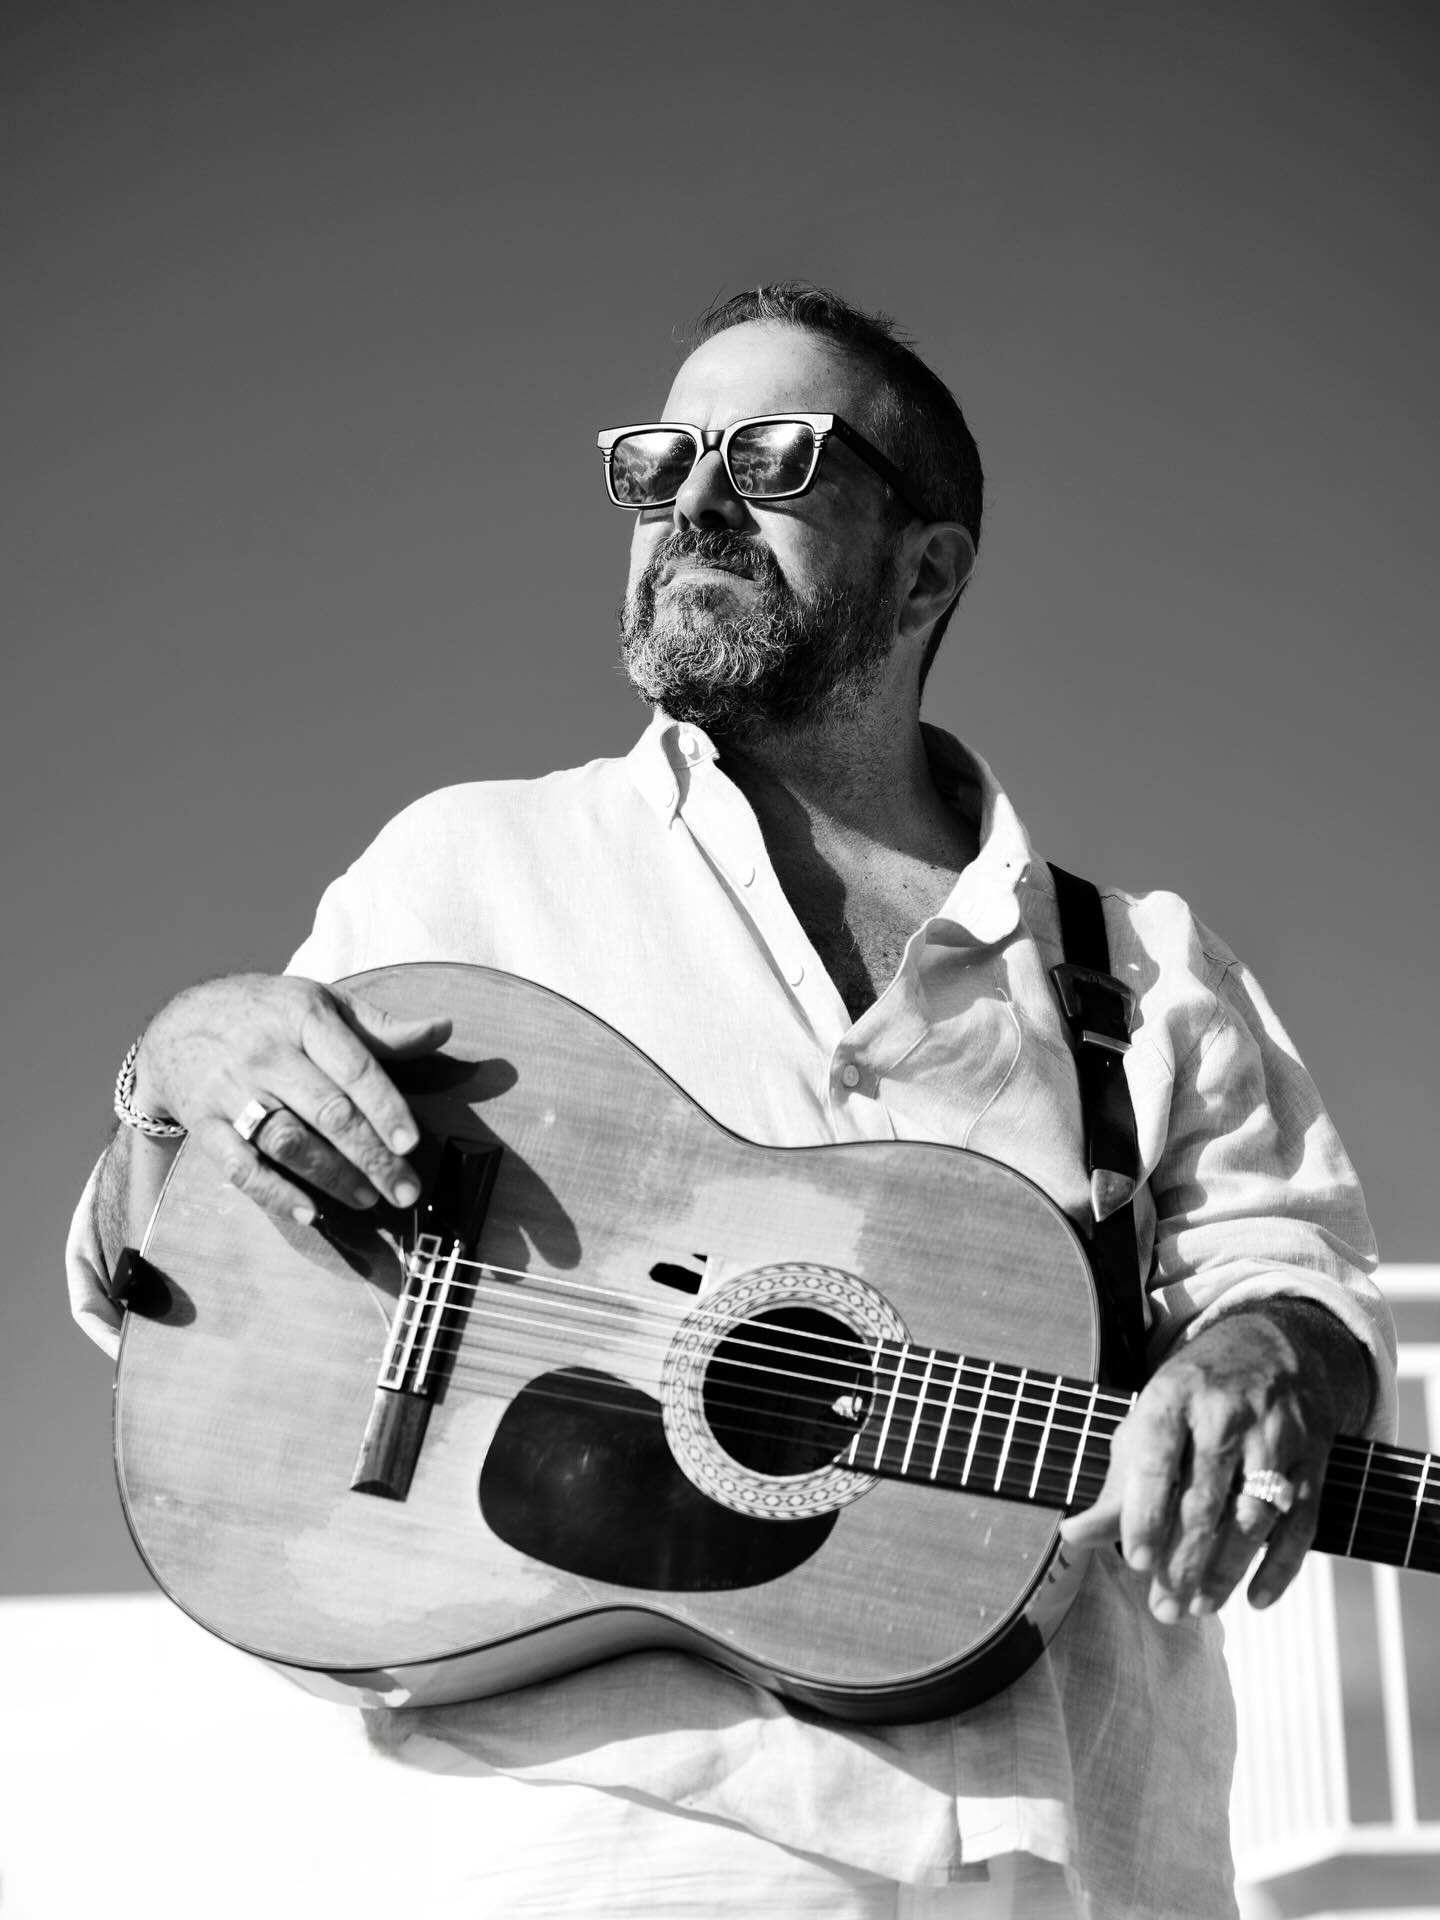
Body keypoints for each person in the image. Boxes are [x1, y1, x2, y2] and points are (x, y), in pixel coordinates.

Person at [68, 284, 1396, 1918]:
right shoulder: (466, 868)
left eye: (768, 455)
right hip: (592, 1855)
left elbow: (1295, 1279)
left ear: (929, 567)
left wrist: (1273, 1351)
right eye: (653, 462)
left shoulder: (1142, 968)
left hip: (1083, 1858)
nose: (689, 499)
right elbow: (183, 1281)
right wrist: (169, 1084)